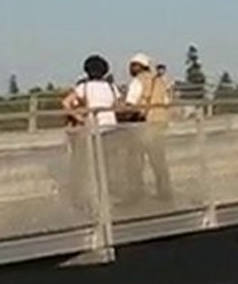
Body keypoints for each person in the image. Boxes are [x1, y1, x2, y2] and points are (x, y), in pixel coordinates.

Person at [62, 55, 122, 204]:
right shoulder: (111, 87)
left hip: (94, 129)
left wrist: (79, 118)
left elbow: (66, 103)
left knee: (93, 165)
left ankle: (96, 197)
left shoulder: (84, 87)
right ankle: (107, 195)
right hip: (111, 128)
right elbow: (118, 105)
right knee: (109, 165)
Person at [123, 53, 173, 202]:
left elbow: (131, 104)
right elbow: (166, 102)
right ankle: (165, 192)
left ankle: (135, 193)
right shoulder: (160, 81)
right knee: (159, 162)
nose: (130, 68)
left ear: (139, 66)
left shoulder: (137, 81)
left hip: (142, 126)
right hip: (159, 125)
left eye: (133, 65)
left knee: (135, 162)